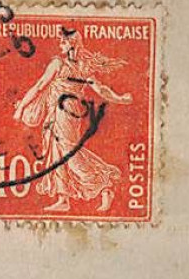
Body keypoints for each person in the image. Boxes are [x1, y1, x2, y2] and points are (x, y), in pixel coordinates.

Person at [12, 26, 133, 214]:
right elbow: (100, 89)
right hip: (65, 112)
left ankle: (104, 184)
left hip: (64, 112)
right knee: (57, 152)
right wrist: (119, 98)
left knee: (70, 153)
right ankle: (63, 198)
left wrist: (20, 108)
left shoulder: (59, 64)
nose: (60, 45)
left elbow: (39, 86)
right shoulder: (81, 67)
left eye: (63, 41)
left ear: (72, 44)